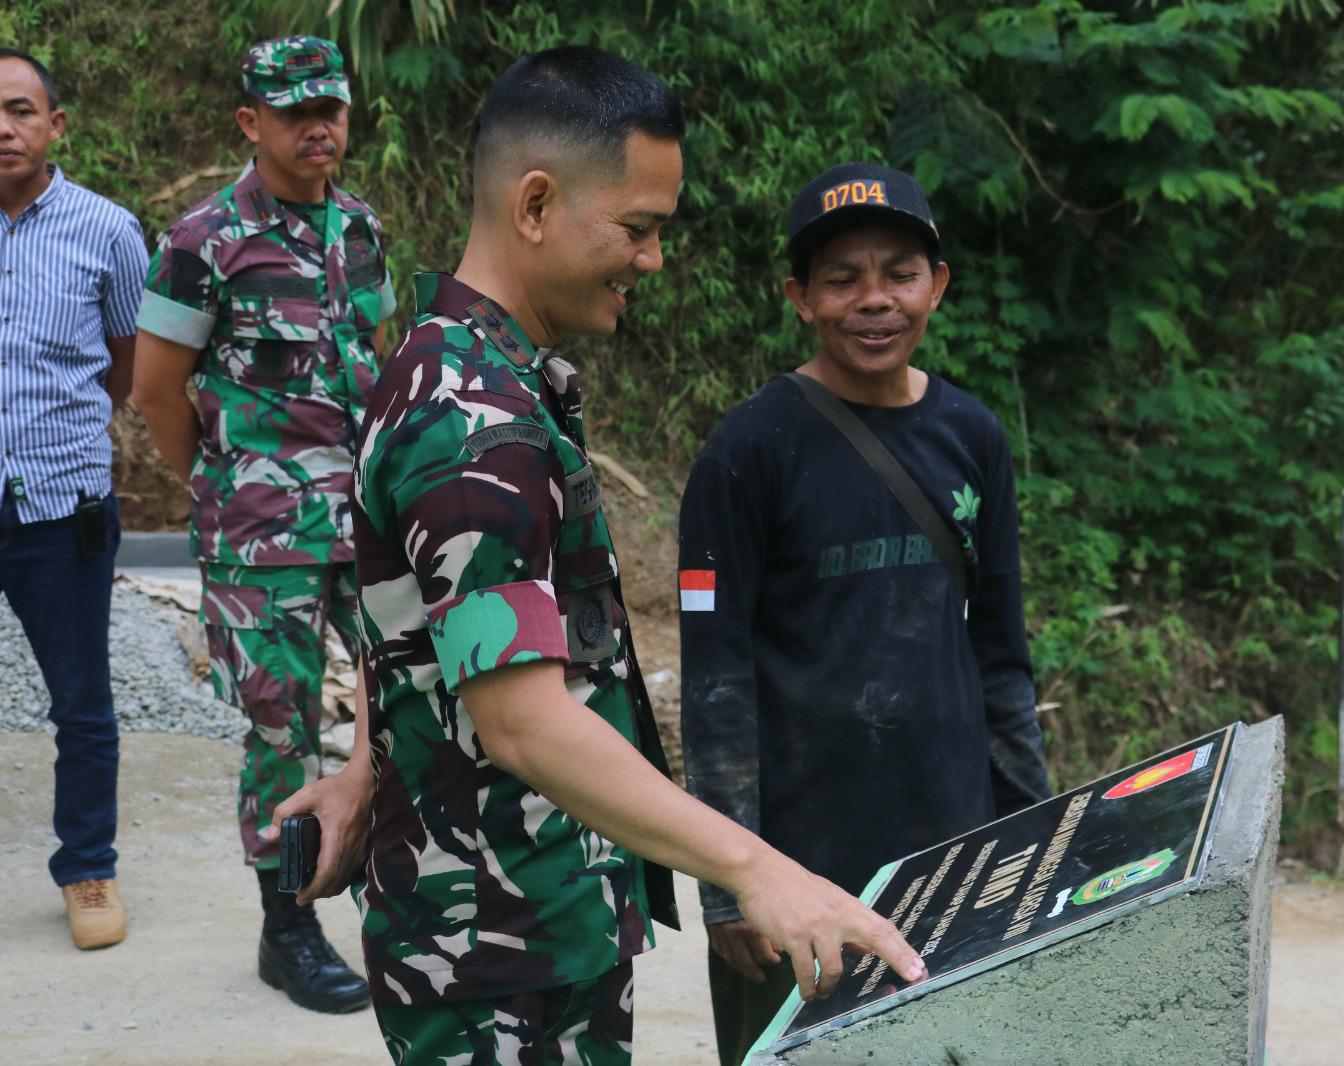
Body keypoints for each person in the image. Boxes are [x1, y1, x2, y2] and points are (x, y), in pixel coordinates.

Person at [325, 47, 923, 1064]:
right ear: (537, 203)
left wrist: (361, 761)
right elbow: (521, 720)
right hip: (498, 956)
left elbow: (422, 625)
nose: (651, 260)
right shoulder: (475, 424)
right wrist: (757, 865)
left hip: (531, 918)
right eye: (637, 229)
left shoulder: (463, 374)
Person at [677, 161, 1053, 1064]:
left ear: (938, 287)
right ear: (799, 298)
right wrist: (731, 887)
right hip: (799, 872)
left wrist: (1033, 828)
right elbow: (716, 679)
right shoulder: (748, 453)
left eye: (898, 274)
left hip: (956, 848)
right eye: (842, 279)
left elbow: (1001, 651)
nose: (873, 300)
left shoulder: (973, 438)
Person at [130, 35, 393, 1013]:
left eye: (331, 108)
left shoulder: (362, 226)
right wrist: (225, 489)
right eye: (294, 113)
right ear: (251, 123)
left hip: (364, 524)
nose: (318, 127)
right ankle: (288, 925)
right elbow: (157, 391)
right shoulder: (202, 240)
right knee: (283, 729)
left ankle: (386, 876)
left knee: (400, 704)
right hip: (261, 537)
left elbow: (374, 355)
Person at [0, 47, 147, 952]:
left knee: (82, 702)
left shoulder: (107, 231)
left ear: (56, 126)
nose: (2, 128)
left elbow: (128, 366)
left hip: (60, 508)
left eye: (20, 109)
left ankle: (87, 867)